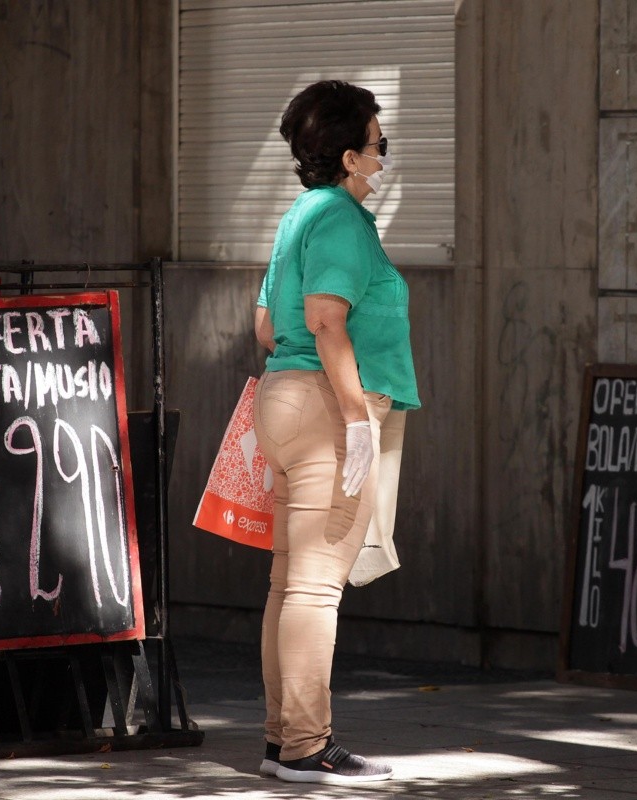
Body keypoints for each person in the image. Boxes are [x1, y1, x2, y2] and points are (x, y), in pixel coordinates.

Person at [252, 79, 420, 786]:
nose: (384, 154)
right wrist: (355, 416)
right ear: (351, 157)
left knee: (291, 583)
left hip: (283, 399)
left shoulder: (298, 216)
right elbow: (326, 318)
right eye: (380, 143)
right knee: (316, 590)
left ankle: (283, 739)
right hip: (327, 409)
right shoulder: (344, 222)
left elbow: (266, 326)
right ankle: (305, 747)